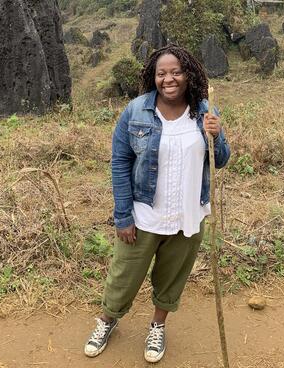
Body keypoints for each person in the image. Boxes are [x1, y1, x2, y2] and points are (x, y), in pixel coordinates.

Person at [84, 44, 231, 363]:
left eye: (176, 72)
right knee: (124, 275)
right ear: (153, 77)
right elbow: (120, 161)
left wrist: (217, 136)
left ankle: (157, 326)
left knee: (171, 277)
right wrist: (123, 215)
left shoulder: (205, 110)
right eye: (162, 73)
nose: (169, 79)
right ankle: (107, 321)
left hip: (188, 216)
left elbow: (221, 160)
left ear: (188, 75)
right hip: (145, 215)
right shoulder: (136, 111)